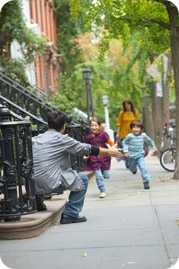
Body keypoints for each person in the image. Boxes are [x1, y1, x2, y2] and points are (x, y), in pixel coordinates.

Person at [32, 111, 121, 224]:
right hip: (49, 184)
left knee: (45, 171)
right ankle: (71, 213)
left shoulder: (36, 139)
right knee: (82, 179)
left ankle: (37, 202)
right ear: (64, 126)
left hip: (33, 183)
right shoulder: (61, 139)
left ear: (48, 124)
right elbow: (86, 148)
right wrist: (110, 151)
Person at [122, 120, 158, 190]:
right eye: (134, 127)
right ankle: (133, 169)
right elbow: (124, 142)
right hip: (131, 156)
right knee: (132, 168)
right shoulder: (129, 136)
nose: (136, 129)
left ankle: (146, 181)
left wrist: (154, 148)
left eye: (138, 127)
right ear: (131, 128)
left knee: (143, 168)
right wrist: (125, 151)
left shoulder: (143, 135)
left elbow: (149, 141)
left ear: (141, 128)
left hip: (140, 155)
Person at [85, 118, 114, 198]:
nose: (94, 127)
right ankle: (102, 190)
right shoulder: (88, 137)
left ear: (99, 126)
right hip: (94, 159)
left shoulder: (103, 134)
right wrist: (86, 155)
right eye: (92, 125)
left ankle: (105, 173)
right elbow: (86, 147)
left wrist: (113, 149)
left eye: (95, 125)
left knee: (106, 175)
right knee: (99, 176)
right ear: (90, 127)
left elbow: (110, 143)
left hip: (104, 158)